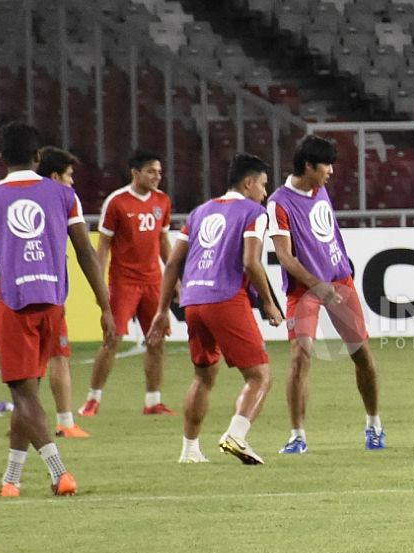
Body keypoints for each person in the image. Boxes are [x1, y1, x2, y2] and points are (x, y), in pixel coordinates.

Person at [0, 122, 114, 497]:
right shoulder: (64, 195)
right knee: (28, 395)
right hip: (53, 299)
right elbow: (86, 253)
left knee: (24, 395)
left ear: (1, 158)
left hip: (12, 302)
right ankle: (11, 480)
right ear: (38, 157)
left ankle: (59, 471)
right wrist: (105, 306)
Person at [147, 153, 284, 465]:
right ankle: (236, 435)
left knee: (203, 376)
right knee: (260, 375)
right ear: (248, 183)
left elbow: (172, 263)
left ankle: (190, 450)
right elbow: (251, 262)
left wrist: (161, 309)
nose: (265, 192)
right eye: (263, 185)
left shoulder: (199, 213)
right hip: (225, 299)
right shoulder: (254, 212)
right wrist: (269, 303)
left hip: (193, 300)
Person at [267, 135, 385, 453]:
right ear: (308, 166)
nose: (331, 171)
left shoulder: (320, 188)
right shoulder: (279, 203)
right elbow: (285, 256)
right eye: (326, 165)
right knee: (299, 356)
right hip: (304, 290)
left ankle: (374, 424)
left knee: (361, 355)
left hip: (340, 282)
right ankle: (297, 436)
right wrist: (316, 285)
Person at [79, 149, 174, 417]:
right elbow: (104, 244)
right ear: (135, 173)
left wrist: (174, 276)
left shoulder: (162, 201)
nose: (157, 176)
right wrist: (99, 282)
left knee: (156, 340)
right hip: (124, 282)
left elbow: (163, 242)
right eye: (151, 171)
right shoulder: (117, 202)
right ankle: (92, 400)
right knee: (113, 339)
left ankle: (153, 401)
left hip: (153, 281)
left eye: (159, 171)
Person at [35, 146, 90, 438]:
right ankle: (66, 422)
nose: (72, 182)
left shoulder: (11, 196)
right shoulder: (64, 198)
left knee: (27, 361)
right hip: (48, 290)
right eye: (69, 175)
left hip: (14, 290)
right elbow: (84, 249)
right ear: (55, 176)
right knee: (58, 355)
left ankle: (22, 420)